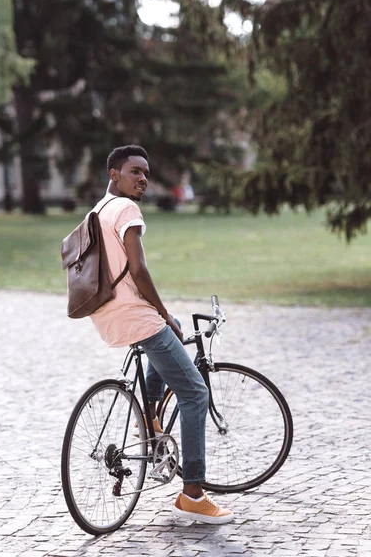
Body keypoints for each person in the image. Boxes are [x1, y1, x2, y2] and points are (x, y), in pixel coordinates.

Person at [90, 145, 234, 524]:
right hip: (136, 316)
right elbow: (138, 269)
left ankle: (149, 420)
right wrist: (163, 312)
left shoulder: (98, 210)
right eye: (134, 171)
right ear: (114, 174)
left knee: (177, 332)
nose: (142, 178)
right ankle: (193, 494)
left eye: (146, 173)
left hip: (106, 315)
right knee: (195, 392)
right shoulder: (126, 210)